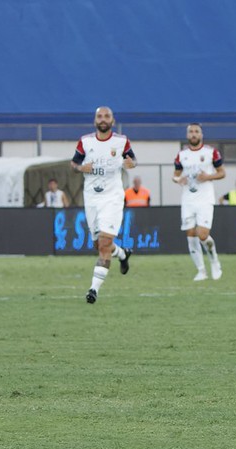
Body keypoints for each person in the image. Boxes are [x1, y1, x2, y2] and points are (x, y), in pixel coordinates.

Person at [70, 106, 134, 304]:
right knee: (99, 245)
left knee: (104, 244)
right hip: (92, 199)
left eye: (107, 116)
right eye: (100, 116)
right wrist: (81, 167)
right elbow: (73, 164)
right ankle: (122, 254)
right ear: (95, 121)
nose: (103, 119)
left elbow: (131, 159)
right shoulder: (85, 141)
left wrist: (131, 163)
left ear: (113, 121)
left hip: (113, 198)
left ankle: (93, 290)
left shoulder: (121, 141)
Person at [172, 123, 225, 281]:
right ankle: (201, 270)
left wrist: (208, 177)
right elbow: (175, 176)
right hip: (188, 199)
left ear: (201, 135)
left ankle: (214, 261)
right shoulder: (181, 155)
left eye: (196, 131)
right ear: (187, 135)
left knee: (202, 234)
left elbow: (222, 173)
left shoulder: (211, 152)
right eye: (191, 132)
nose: (194, 134)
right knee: (190, 234)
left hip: (205, 199)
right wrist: (178, 179)